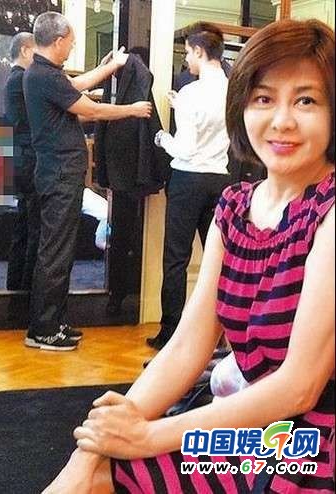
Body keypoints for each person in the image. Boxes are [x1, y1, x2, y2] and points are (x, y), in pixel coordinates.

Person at [43, 18, 335, 493]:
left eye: (306, 100)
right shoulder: (235, 207)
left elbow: (299, 386)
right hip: (253, 423)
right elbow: (186, 346)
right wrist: (96, 446)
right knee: (94, 463)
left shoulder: (330, 211)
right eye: (264, 99)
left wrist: (146, 436)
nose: (282, 120)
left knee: (116, 466)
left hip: (311, 440)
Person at [23, 12, 152, 352]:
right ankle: (44, 330)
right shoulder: (44, 75)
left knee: (58, 251)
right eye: (71, 42)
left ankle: (52, 322)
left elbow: (77, 86)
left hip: (59, 174)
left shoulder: (44, 73)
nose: (72, 47)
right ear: (58, 41)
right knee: (55, 253)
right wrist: (132, 109)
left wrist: (108, 67)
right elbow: (91, 110)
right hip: (59, 175)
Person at [147, 28, 232, 350]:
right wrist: (179, 105)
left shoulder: (191, 92)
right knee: (217, 260)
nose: (187, 60)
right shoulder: (233, 90)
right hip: (219, 179)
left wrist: (161, 138)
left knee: (176, 259)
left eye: (187, 53)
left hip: (188, 180)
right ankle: (218, 333)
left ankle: (170, 333)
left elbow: (184, 148)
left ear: (199, 51)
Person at [4, 32, 40, 292]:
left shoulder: (14, 79)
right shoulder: (22, 79)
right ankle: (26, 291)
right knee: (33, 229)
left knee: (24, 227)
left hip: (21, 159)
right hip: (29, 160)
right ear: (26, 50)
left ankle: (16, 287)